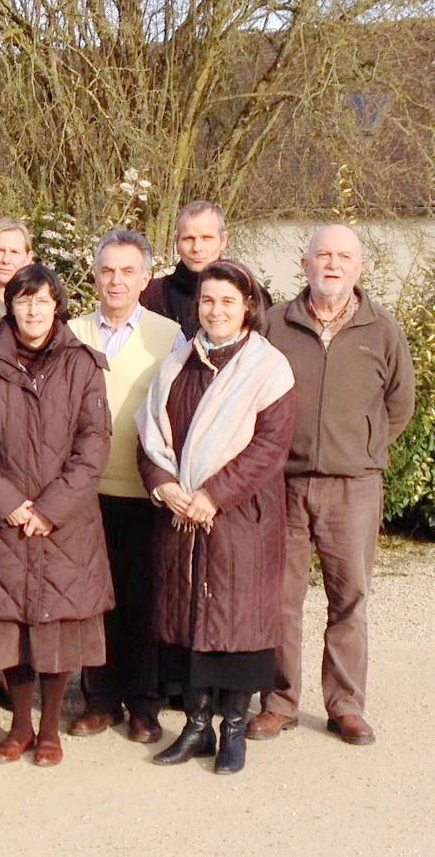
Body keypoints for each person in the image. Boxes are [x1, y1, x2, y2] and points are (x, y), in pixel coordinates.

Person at [248, 224, 415, 746]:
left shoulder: (382, 330)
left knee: (350, 599)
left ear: (359, 268)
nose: (333, 264)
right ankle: (279, 701)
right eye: (323, 254)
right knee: (279, 597)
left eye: (344, 256)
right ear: (305, 264)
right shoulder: (275, 325)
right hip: (286, 484)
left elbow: (399, 404)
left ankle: (345, 706)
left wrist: (363, 448)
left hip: (353, 487)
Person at [136, 259, 296, 774]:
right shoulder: (177, 363)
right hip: (183, 516)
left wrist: (215, 494)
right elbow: (149, 440)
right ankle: (196, 726)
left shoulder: (269, 369)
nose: (217, 310)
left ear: (247, 306)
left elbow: (270, 446)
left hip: (241, 518)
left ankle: (232, 731)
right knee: (192, 624)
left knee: (237, 626)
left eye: (228, 301)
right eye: (208, 300)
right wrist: (164, 486)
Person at [0, 264, 113, 768]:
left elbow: (94, 445)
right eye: (22, 300)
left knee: (54, 631)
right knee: (13, 629)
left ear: (56, 305)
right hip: (4, 521)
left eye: (41, 300)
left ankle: (49, 730)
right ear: (9, 304)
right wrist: (8, 503)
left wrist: (49, 508)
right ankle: (19, 728)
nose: (32, 310)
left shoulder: (83, 364)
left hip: (64, 523)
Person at [67, 230, 184, 744]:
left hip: (142, 489)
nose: (116, 280)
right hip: (82, 492)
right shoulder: (70, 331)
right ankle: (98, 699)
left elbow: (179, 411)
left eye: (127, 271)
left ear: (146, 278)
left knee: (142, 598)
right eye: (108, 270)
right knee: (94, 600)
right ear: (95, 274)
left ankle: (142, 703)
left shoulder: (169, 334)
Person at [141, 200, 270, 338]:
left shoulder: (250, 294)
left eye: (206, 238)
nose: (197, 248)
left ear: (224, 241)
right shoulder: (151, 295)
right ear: (176, 242)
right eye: (188, 239)